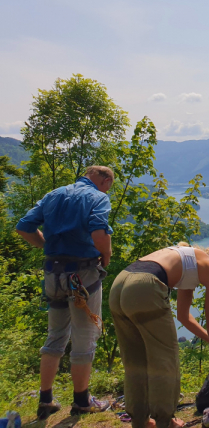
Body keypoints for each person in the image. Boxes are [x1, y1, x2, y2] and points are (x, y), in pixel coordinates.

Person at [15, 166, 115, 419]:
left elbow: (24, 227)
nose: (107, 191)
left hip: (53, 274)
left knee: (55, 336)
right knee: (85, 337)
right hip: (83, 276)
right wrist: (106, 256)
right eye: (108, 186)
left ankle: (46, 399)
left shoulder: (53, 195)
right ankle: (82, 401)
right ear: (104, 180)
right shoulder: (97, 197)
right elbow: (99, 232)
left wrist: (46, 246)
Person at [109, 243, 209, 428]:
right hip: (145, 286)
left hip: (120, 283)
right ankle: (166, 421)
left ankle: (141, 421)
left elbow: (184, 316)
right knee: (165, 360)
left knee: (135, 360)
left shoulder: (191, 263)